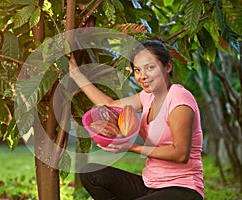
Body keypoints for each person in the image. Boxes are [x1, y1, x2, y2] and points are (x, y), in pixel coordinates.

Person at [69, 40, 204, 200]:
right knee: (91, 174)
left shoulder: (179, 98)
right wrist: (76, 74)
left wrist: (131, 147)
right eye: (137, 70)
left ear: (168, 67)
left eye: (150, 68)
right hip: (151, 186)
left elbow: (181, 154)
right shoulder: (146, 97)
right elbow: (110, 105)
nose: (143, 76)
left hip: (183, 190)